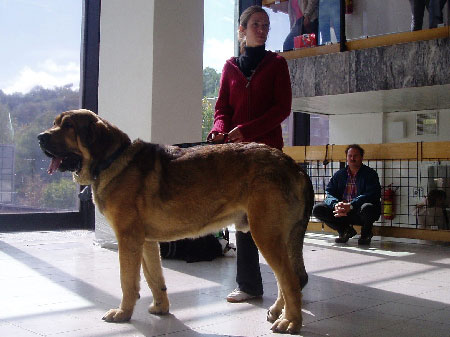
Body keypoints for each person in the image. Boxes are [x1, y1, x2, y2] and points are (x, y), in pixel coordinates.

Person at [208, 5, 292, 302]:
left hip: (267, 155)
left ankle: (292, 281)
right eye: (256, 24)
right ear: (241, 30)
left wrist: (247, 130)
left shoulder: (277, 64)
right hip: (238, 156)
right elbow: (222, 109)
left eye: (266, 25)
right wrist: (219, 129)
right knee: (243, 218)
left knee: (270, 222)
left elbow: (281, 109)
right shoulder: (230, 67)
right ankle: (249, 286)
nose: (262, 29)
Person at [312, 144, 381, 245]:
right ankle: (345, 231)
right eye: (350, 156)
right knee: (317, 209)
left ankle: (366, 234)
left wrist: (351, 205)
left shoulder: (370, 174)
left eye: (355, 156)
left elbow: (372, 194)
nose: (352, 158)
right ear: (347, 158)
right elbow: (329, 192)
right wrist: (335, 204)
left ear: (361, 157)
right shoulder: (339, 174)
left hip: (359, 212)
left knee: (368, 208)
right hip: (342, 211)